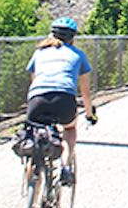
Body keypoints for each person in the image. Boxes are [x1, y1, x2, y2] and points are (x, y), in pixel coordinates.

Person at [25, 16, 96, 186]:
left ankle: (32, 188)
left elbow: (34, 81)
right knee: (70, 128)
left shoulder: (39, 52)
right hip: (64, 100)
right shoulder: (78, 55)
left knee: (35, 136)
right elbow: (85, 93)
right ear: (73, 37)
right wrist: (89, 114)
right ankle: (65, 167)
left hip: (37, 100)